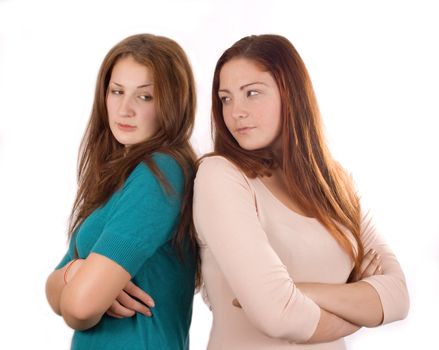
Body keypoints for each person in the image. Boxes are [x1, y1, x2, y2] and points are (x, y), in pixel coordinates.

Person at [193, 34, 409, 349]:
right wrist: (361, 304)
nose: (235, 111)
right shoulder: (220, 176)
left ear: (291, 93)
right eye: (226, 98)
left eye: (252, 93)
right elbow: (278, 316)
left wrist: (299, 290)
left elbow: (398, 296)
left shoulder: (335, 184)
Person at [45, 33, 199, 350]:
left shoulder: (161, 172)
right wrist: (77, 270)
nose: (124, 109)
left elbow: (79, 308)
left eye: (145, 97)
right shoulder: (122, 178)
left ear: (173, 103)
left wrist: (79, 284)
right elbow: (52, 290)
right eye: (117, 91)